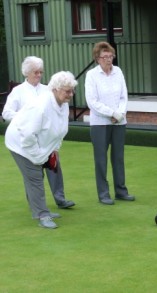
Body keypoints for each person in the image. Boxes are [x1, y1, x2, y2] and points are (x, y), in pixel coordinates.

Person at [4, 71, 78, 229]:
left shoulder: (62, 104)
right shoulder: (41, 106)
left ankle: (38, 209)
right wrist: (37, 156)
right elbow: (27, 134)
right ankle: (42, 215)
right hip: (19, 143)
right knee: (35, 177)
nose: (70, 94)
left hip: (37, 142)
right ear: (56, 89)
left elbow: (60, 129)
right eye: (67, 91)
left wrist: (54, 149)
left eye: (72, 90)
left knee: (33, 177)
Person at [85, 41, 135, 205]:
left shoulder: (118, 71)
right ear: (97, 58)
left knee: (118, 157)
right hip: (99, 123)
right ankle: (104, 194)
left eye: (110, 56)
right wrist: (112, 113)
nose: (108, 59)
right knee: (101, 159)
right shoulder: (92, 75)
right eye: (105, 56)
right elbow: (92, 101)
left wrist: (120, 114)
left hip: (119, 122)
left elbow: (123, 96)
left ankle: (121, 191)